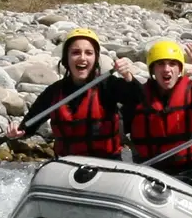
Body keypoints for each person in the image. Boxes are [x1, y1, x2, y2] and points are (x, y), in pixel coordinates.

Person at [7, 28, 137, 158]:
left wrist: (128, 77)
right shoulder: (53, 92)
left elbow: (140, 99)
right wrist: (17, 132)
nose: (82, 58)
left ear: (96, 58)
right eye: (75, 53)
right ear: (66, 59)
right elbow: (28, 126)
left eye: (89, 53)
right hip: (68, 165)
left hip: (107, 163)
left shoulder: (109, 85)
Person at [128, 39, 192, 180]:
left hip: (190, 170)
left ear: (180, 69)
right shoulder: (138, 96)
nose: (167, 69)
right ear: (152, 69)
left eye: (172, 64)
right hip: (150, 171)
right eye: (161, 64)